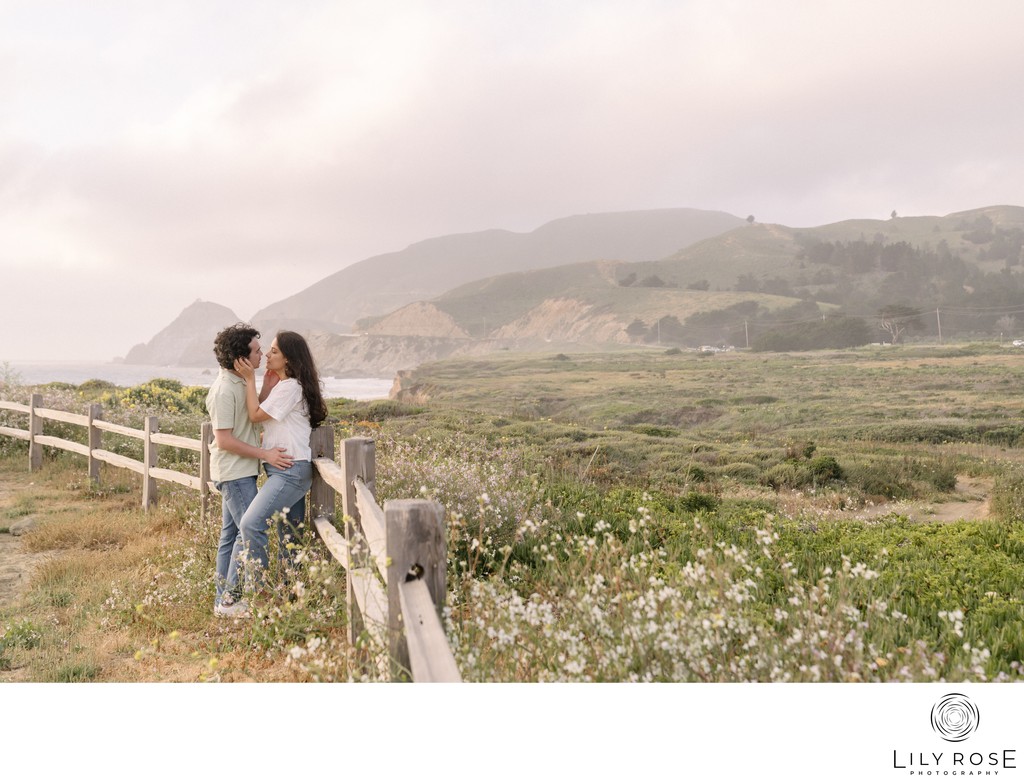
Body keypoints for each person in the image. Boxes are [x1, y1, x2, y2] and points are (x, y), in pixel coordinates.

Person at [231, 330, 328, 608]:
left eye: (274, 351)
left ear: (288, 358)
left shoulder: (291, 388)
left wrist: (249, 379)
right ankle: (292, 599)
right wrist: (262, 384)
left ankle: (259, 597)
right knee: (290, 539)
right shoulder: (286, 387)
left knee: (251, 524)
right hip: (286, 469)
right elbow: (265, 415)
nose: (267, 355)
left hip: (290, 470)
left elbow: (254, 415)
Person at [206, 323, 294, 618]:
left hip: (240, 470)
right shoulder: (223, 390)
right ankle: (230, 601)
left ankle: (223, 600)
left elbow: (250, 421)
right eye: (256, 351)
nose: (262, 355)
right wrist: (265, 453)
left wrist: (264, 388)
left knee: (230, 536)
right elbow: (225, 439)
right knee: (247, 531)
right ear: (240, 358)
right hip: (233, 472)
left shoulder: (240, 383)